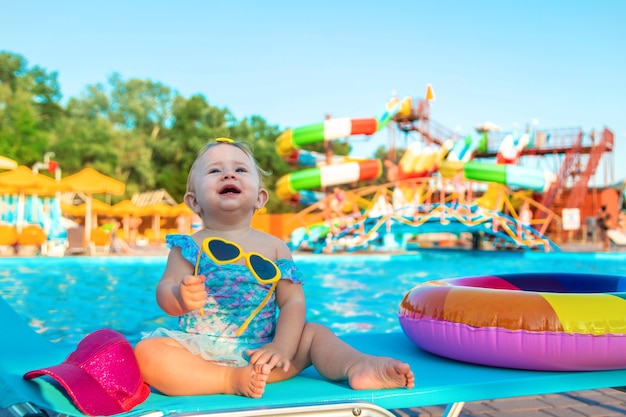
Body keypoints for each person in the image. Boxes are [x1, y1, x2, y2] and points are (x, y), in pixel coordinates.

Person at [133, 138, 414, 398]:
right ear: (194, 201)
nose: (228, 175)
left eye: (240, 169)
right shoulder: (188, 246)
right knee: (148, 353)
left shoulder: (276, 247)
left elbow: (292, 301)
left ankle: (358, 366)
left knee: (315, 333)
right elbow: (165, 290)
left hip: (265, 356)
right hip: (199, 355)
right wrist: (180, 298)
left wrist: (282, 346)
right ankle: (228, 379)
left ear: (260, 198)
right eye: (215, 170)